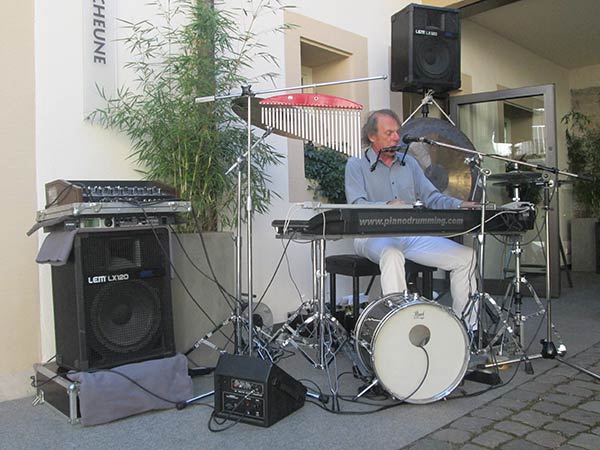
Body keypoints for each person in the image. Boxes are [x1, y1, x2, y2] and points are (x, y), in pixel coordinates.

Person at [345, 109, 479, 331]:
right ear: (372, 136)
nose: (396, 137)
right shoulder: (356, 164)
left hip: (410, 235)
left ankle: (467, 330)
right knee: (392, 254)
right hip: (370, 237)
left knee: (466, 257)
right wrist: (386, 206)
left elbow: (432, 197)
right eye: (389, 133)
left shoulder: (410, 163)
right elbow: (356, 204)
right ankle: (398, 329)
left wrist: (459, 204)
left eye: (397, 132)